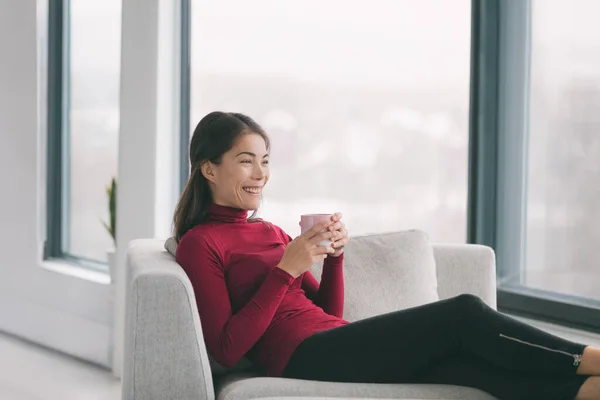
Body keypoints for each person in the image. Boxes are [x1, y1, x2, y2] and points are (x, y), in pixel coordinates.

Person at [173, 111, 600, 400]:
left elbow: (328, 312)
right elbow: (227, 349)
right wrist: (286, 270)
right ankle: (592, 356)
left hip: (330, 338)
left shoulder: (269, 231)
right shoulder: (201, 242)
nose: (261, 174)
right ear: (209, 168)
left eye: (265, 161)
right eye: (246, 161)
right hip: (301, 356)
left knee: (469, 367)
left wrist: (336, 257)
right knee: (463, 314)